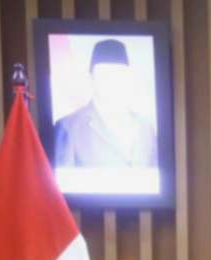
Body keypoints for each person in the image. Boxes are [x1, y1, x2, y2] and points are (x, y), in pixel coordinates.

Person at [53, 38, 157, 169]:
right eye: (105, 75)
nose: (112, 82)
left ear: (127, 77)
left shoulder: (146, 128)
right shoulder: (68, 126)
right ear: (92, 78)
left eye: (118, 74)